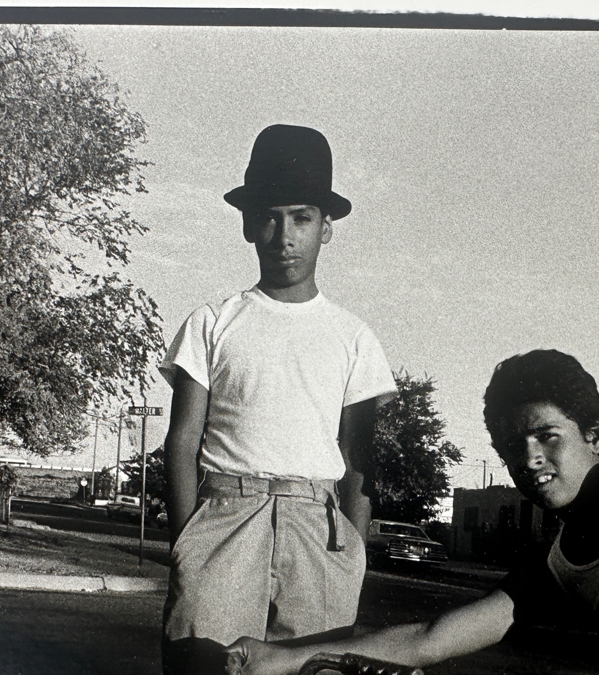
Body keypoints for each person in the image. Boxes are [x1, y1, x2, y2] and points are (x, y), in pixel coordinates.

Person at [226, 349, 599, 675]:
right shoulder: (556, 563)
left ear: (594, 432)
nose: (530, 460)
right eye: (513, 448)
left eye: (547, 437)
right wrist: (282, 656)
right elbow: (431, 638)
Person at [158, 124, 397, 674]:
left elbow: (360, 462)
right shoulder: (213, 322)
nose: (284, 235)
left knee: (315, 667)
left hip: (320, 528)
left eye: (302, 217)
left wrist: (351, 555)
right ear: (247, 224)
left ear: (327, 227)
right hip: (225, 515)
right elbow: (183, 440)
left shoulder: (354, 336)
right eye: (268, 215)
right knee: (203, 663)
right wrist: (185, 546)